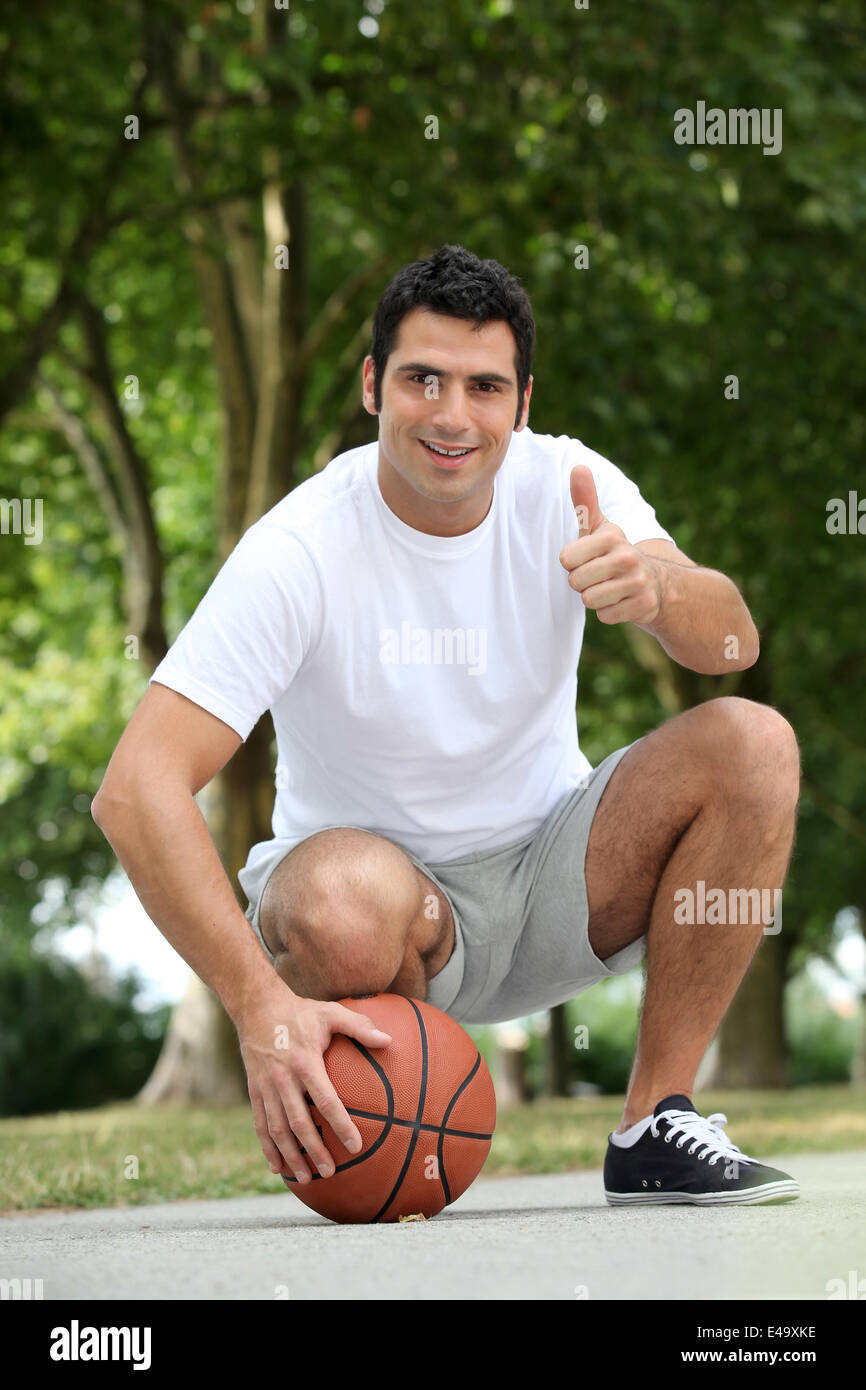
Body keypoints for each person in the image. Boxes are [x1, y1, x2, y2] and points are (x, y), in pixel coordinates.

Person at [93, 244, 800, 1206]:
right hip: (383, 915)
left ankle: (655, 1124)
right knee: (337, 904)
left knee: (756, 743)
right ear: (374, 385)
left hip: (560, 878)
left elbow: (734, 646)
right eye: (424, 378)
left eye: (485, 386)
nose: (454, 415)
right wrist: (259, 1010)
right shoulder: (298, 549)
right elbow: (136, 792)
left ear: (523, 400)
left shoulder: (568, 485)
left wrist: (659, 589)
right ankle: (402, 1117)